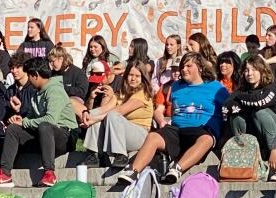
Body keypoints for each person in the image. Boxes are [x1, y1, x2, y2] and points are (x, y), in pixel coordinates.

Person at [116, 52, 229, 185]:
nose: (183, 69)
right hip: (177, 129)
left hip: (202, 130)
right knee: (153, 137)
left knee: (207, 140)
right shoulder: (176, 87)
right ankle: (133, 171)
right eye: (182, 66)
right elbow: (174, 110)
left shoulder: (216, 87)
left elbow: (227, 110)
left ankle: (177, 168)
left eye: (188, 66)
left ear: (200, 67)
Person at [0, 57, 79, 188]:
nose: (28, 79)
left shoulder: (55, 90)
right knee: (13, 129)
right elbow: (32, 117)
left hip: (64, 137)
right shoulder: (36, 93)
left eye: (29, 75)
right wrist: (21, 120)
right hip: (43, 136)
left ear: (36, 75)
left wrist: (26, 123)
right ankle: (4, 174)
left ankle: (49, 173)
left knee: (45, 126)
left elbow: (51, 120)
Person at [81, 60, 154, 169]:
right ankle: (95, 155)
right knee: (96, 116)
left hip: (140, 134)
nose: (133, 78)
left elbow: (119, 111)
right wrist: (89, 115)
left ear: (143, 77)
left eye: (137, 76)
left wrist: (94, 119)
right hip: (120, 132)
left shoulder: (142, 93)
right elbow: (105, 108)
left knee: (112, 115)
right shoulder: (121, 93)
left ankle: (121, 155)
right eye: (130, 75)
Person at [222, 54, 276, 159]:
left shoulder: (272, 88)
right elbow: (227, 106)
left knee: (260, 113)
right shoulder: (242, 90)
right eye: (247, 70)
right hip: (254, 132)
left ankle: (274, 152)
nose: (250, 73)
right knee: (236, 117)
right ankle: (244, 152)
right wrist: (245, 103)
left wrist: (241, 101)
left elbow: (258, 102)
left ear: (262, 71)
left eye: (254, 69)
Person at [152, 57, 181, 129]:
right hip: (167, 121)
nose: (176, 73)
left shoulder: (189, 87)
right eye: (174, 70)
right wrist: (162, 122)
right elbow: (159, 110)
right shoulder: (165, 87)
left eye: (178, 70)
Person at [6, 52, 35, 118]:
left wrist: (19, 111)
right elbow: (6, 112)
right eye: (12, 68)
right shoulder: (10, 90)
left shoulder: (34, 88)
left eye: (18, 67)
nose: (14, 71)